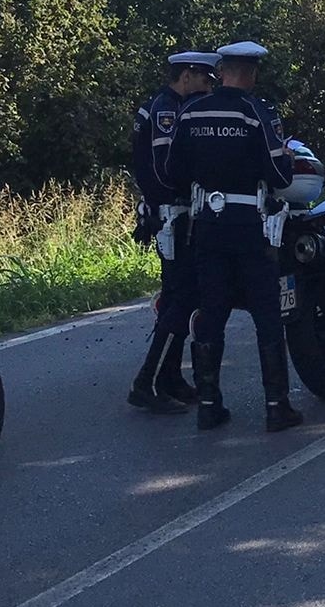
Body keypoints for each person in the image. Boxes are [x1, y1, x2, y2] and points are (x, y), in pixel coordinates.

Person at [159, 39, 303, 433]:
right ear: (252, 73)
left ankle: (208, 404)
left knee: (212, 311)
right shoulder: (256, 113)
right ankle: (276, 406)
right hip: (249, 226)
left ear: (221, 71)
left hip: (207, 226)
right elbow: (279, 176)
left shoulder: (191, 113)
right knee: (266, 313)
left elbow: (172, 172)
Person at [126, 50, 220, 411]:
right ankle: (147, 381)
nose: (208, 86)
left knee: (180, 297)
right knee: (181, 300)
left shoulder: (159, 105)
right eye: (205, 79)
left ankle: (169, 377)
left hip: (168, 213)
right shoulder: (168, 110)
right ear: (188, 75)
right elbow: (166, 168)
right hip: (174, 214)